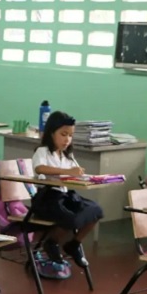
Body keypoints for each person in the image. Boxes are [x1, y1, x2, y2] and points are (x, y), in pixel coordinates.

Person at [31, 111, 103, 268]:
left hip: (65, 196)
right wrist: (67, 172)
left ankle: (74, 244)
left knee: (96, 211)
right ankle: (51, 242)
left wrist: (92, 178)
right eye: (63, 134)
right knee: (71, 219)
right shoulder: (42, 151)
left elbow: (77, 173)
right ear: (51, 133)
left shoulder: (67, 155)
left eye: (70, 135)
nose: (67, 139)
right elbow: (40, 168)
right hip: (47, 198)